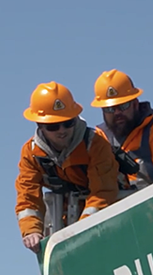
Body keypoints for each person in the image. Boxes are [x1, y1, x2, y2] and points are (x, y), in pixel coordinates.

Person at [15, 81, 119, 253]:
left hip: (99, 225)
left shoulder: (95, 143)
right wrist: (31, 230)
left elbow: (103, 192)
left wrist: (83, 227)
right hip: (62, 225)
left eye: (68, 123)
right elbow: (27, 196)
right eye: (53, 126)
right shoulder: (31, 152)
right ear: (39, 125)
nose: (62, 130)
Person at [91, 69, 153, 195]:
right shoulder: (98, 143)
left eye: (123, 106)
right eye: (110, 109)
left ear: (135, 103)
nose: (117, 113)